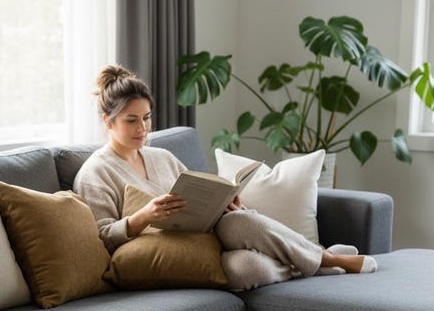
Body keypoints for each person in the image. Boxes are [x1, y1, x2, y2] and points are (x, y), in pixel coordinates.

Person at [73, 64, 377, 291]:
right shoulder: (95, 173)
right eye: (132, 121)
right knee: (246, 271)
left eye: (147, 118)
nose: (143, 129)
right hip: (173, 255)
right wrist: (141, 217)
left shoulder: (161, 157)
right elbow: (101, 240)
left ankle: (324, 260)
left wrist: (224, 202)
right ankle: (316, 260)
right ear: (107, 120)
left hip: (209, 238)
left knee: (237, 221)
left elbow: (197, 191)